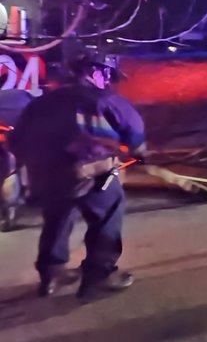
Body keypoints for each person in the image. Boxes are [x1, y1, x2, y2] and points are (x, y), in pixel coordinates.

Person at [9, 53, 146, 299]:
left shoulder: (41, 102)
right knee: (107, 215)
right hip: (90, 173)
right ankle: (100, 275)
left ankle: (52, 273)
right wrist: (139, 153)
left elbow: (16, 140)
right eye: (107, 75)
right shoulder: (105, 99)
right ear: (97, 71)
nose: (108, 82)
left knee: (57, 218)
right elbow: (135, 133)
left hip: (46, 175)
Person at [0, 88, 34, 232]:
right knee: (12, 170)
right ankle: (9, 215)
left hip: (6, 138)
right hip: (12, 139)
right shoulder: (22, 96)